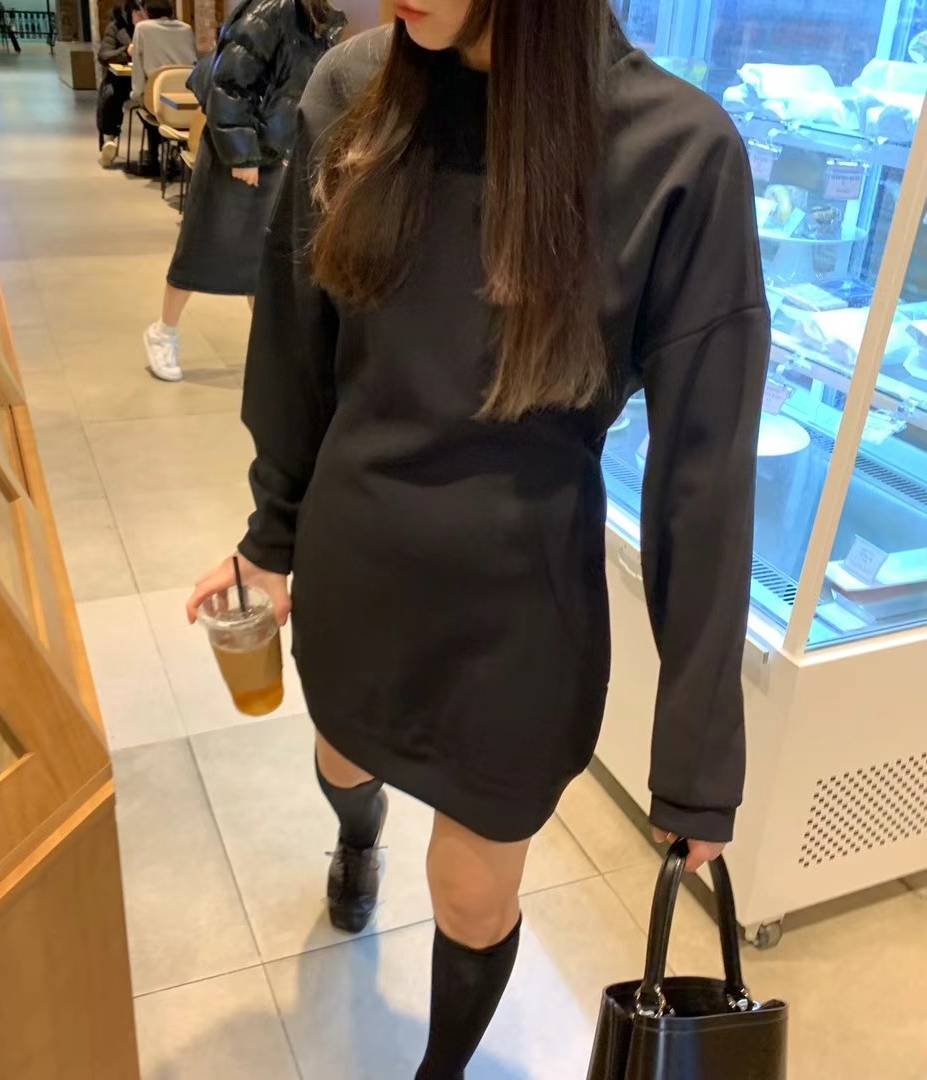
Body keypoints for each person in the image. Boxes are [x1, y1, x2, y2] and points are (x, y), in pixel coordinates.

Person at [187, 2, 769, 1077]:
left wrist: (698, 756)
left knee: (472, 890)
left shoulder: (677, 152)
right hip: (359, 563)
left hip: (521, 611)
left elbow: (705, 475)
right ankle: (357, 835)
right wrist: (270, 537)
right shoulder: (353, 91)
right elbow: (297, 347)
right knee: (341, 756)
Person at [142, 0, 345, 382]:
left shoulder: (317, 15)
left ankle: (269, 349)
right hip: (237, 151)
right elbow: (229, 82)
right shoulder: (274, 8)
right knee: (201, 246)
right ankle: (163, 332)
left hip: (269, 149)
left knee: (260, 257)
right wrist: (242, 155)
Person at [129, 0, 197, 177]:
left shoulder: (142, 29)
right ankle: (175, 152)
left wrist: (136, 93)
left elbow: (138, 64)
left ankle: (154, 157)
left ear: (146, 10)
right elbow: (194, 60)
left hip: (156, 95)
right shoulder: (186, 29)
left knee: (147, 108)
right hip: (186, 95)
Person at [96, 0, 142, 167]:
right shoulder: (116, 27)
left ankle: (155, 151)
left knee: (156, 100)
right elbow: (104, 56)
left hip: (149, 81)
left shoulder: (156, 29)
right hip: (122, 80)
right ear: (130, 12)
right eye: (138, 13)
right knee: (110, 94)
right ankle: (109, 140)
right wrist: (126, 51)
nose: (142, 17)